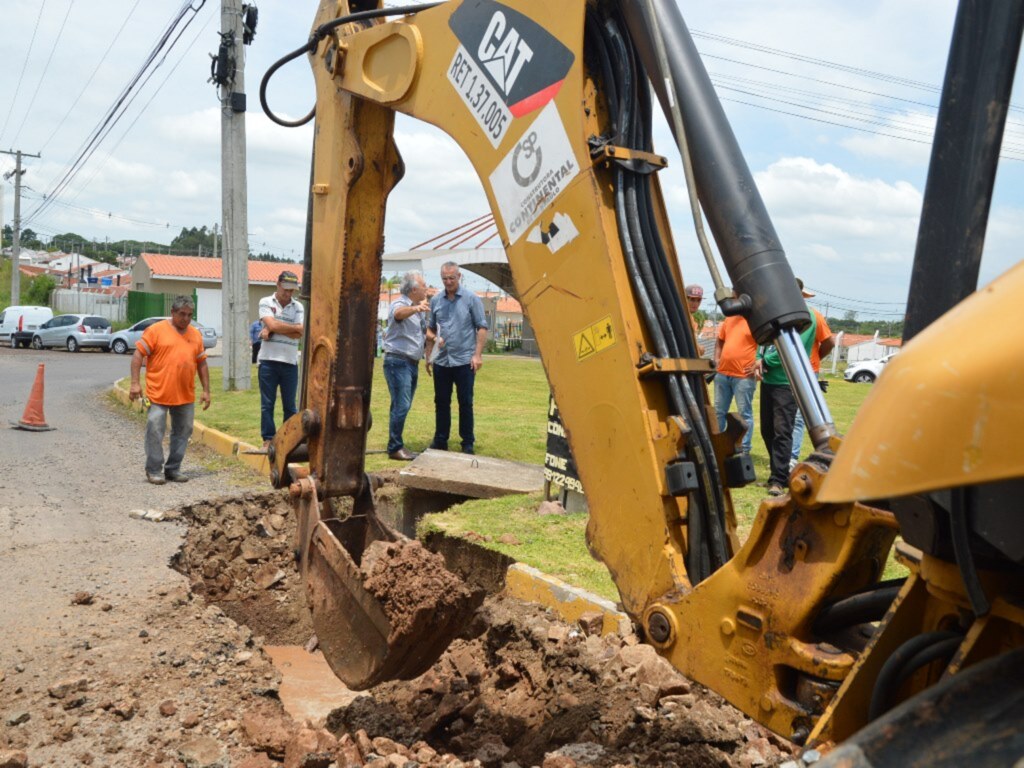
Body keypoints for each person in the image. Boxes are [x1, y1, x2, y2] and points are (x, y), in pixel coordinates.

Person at [754, 279, 833, 497]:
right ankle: (776, 474)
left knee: (782, 431)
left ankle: (779, 480)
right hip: (770, 381)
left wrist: (765, 362)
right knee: (767, 430)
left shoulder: (804, 317)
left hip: (787, 382)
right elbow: (763, 342)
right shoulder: (774, 313)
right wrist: (758, 359)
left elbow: (787, 350)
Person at [129, 295, 211, 485]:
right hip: (158, 393)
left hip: (185, 394)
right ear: (172, 312)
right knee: (155, 429)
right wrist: (135, 383)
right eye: (182, 314)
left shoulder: (195, 335)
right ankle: (154, 469)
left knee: (183, 431)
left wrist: (206, 390)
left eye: (189, 315)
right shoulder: (156, 331)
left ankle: (173, 469)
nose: (185, 318)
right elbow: (138, 355)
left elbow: (202, 363)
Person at [425, 262, 488, 455]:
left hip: (464, 361)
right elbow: (430, 329)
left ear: (459, 276)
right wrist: (429, 356)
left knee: (465, 402)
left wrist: (477, 355)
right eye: (444, 278)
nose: (448, 282)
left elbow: (482, 327)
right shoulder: (436, 300)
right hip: (442, 361)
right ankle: (440, 439)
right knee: (441, 401)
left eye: (451, 278)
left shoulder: (471, 299)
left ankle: (467, 442)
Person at [383, 271, 430, 461]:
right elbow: (398, 314)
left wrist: (436, 339)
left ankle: (396, 443)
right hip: (398, 361)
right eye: (424, 286)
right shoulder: (401, 304)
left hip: (411, 363)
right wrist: (417, 309)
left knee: (403, 404)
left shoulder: (417, 310)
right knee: (401, 404)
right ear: (414, 289)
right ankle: (395, 447)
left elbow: (419, 335)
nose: (426, 289)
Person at [789, 279, 835, 469]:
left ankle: (791, 457)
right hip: (786, 372)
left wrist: (814, 360)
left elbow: (829, 342)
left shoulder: (814, 316)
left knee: (798, 417)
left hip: (807, 373)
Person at [258, 271, 305, 448]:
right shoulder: (266, 302)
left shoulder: (298, 307)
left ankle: (289, 440)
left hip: (289, 361)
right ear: (277, 284)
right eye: (285, 289)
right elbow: (273, 324)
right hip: (268, 361)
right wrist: (278, 327)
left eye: (291, 290)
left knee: (290, 405)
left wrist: (275, 328)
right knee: (267, 404)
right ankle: (268, 439)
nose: (288, 294)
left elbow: (300, 331)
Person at [714, 312, 757, 456]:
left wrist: (758, 364)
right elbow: (720, 340)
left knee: (745, 413)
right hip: (723, 374)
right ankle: (717, 446)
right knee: (719, 412)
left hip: (744, 377)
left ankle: (743, 449)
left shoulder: (755, 320)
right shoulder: (730, 318)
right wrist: (716, 360)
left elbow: (765, 345)